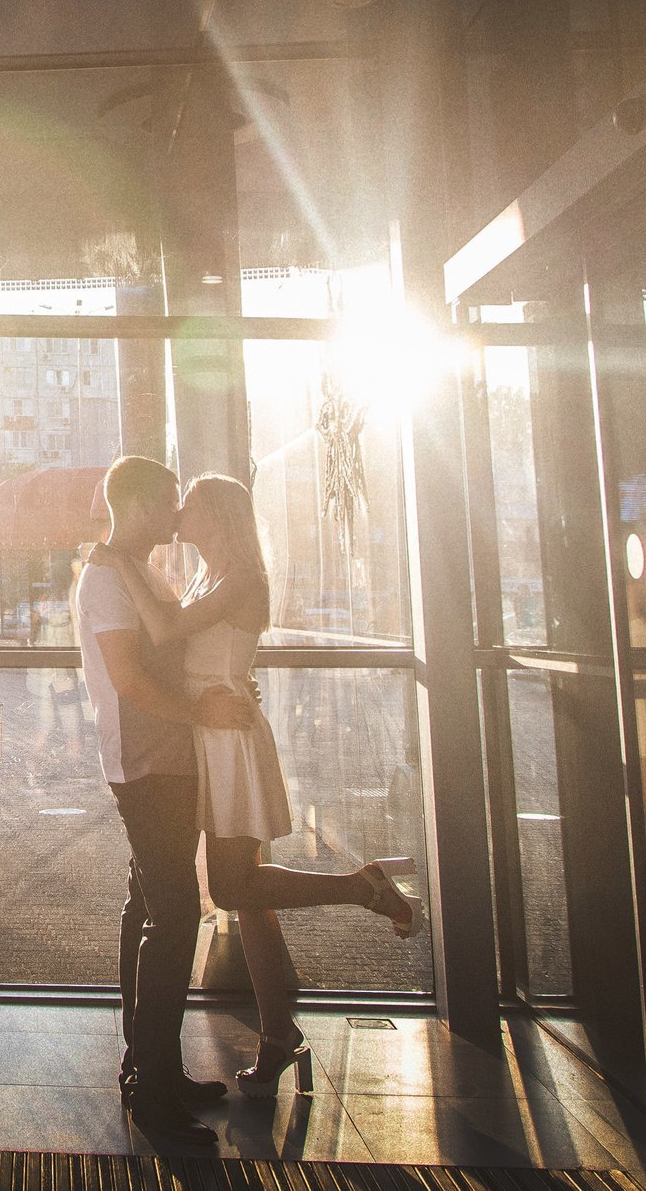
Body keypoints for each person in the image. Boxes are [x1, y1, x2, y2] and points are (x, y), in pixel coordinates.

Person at [94, 473, 416, 1095]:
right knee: (251, 897)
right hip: (211, 734)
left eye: (191, 504)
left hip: (227, 740)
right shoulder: (206, 576)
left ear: (218, 517)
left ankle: (361, 886)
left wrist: (117, 559)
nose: (180, 512)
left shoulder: (239, 578)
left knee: (232, 884)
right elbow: (189, 640)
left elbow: (164, 631)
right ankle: (278, 1037)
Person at [72, 455, 253, 1141]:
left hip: (166, 759)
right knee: (174, 916)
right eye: (171, 500)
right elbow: (128, 680)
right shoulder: (109, 578)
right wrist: (199, 713)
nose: (178, 514)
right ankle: (152, 1093)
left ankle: (148, 1065)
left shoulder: (135, 568)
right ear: (143, 503)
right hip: (148, 764)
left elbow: (172, 654)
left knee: (148, 903)